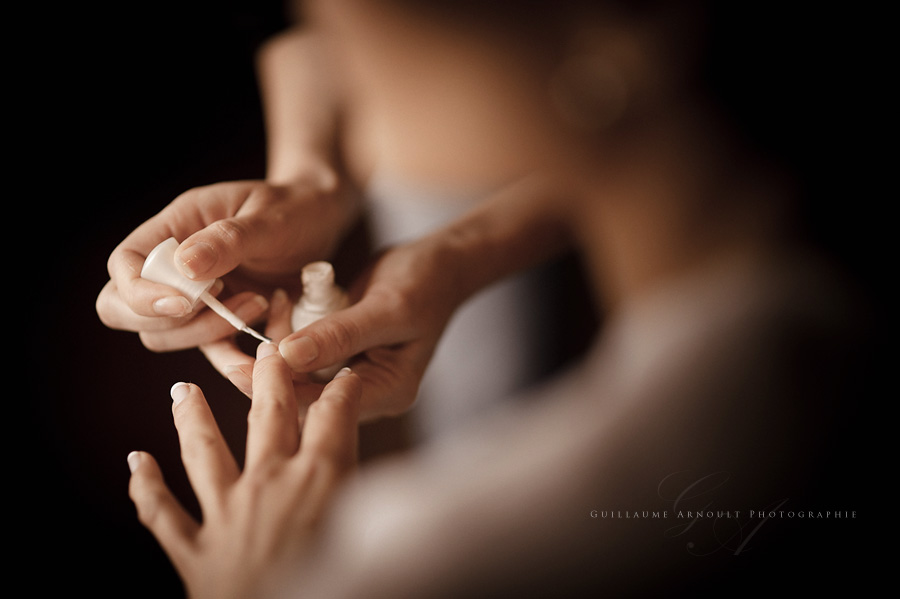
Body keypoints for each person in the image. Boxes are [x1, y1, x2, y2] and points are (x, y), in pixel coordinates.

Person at [116, 0, 872, 596]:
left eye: (347, 38)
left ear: (622, 27)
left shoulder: (384, 567)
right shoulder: (791, 270)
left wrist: (261, 586)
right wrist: (450, 251)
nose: (304, 62)